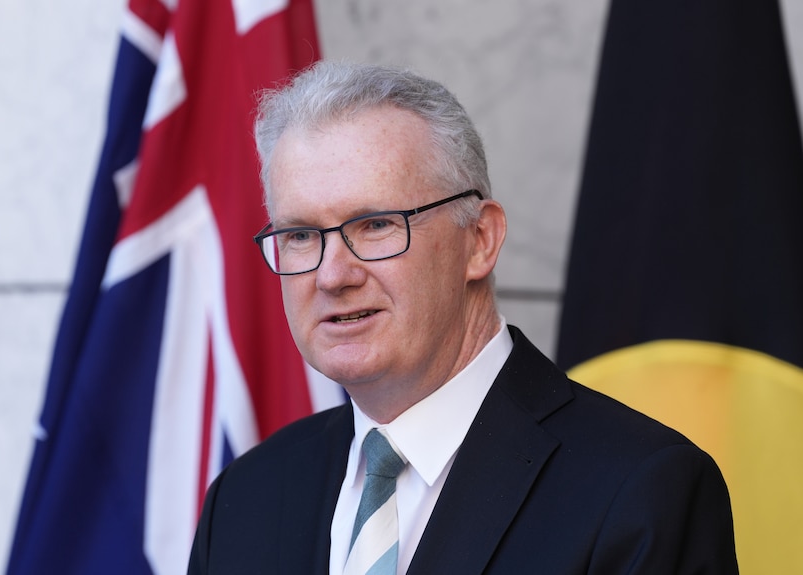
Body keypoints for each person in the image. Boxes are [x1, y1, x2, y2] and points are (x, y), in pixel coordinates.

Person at [187, 60, 738, 574]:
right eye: (301, 235)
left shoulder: (641, 491)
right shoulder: (245, 497)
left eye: (375, 225)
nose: (332, 275)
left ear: (479, 240)